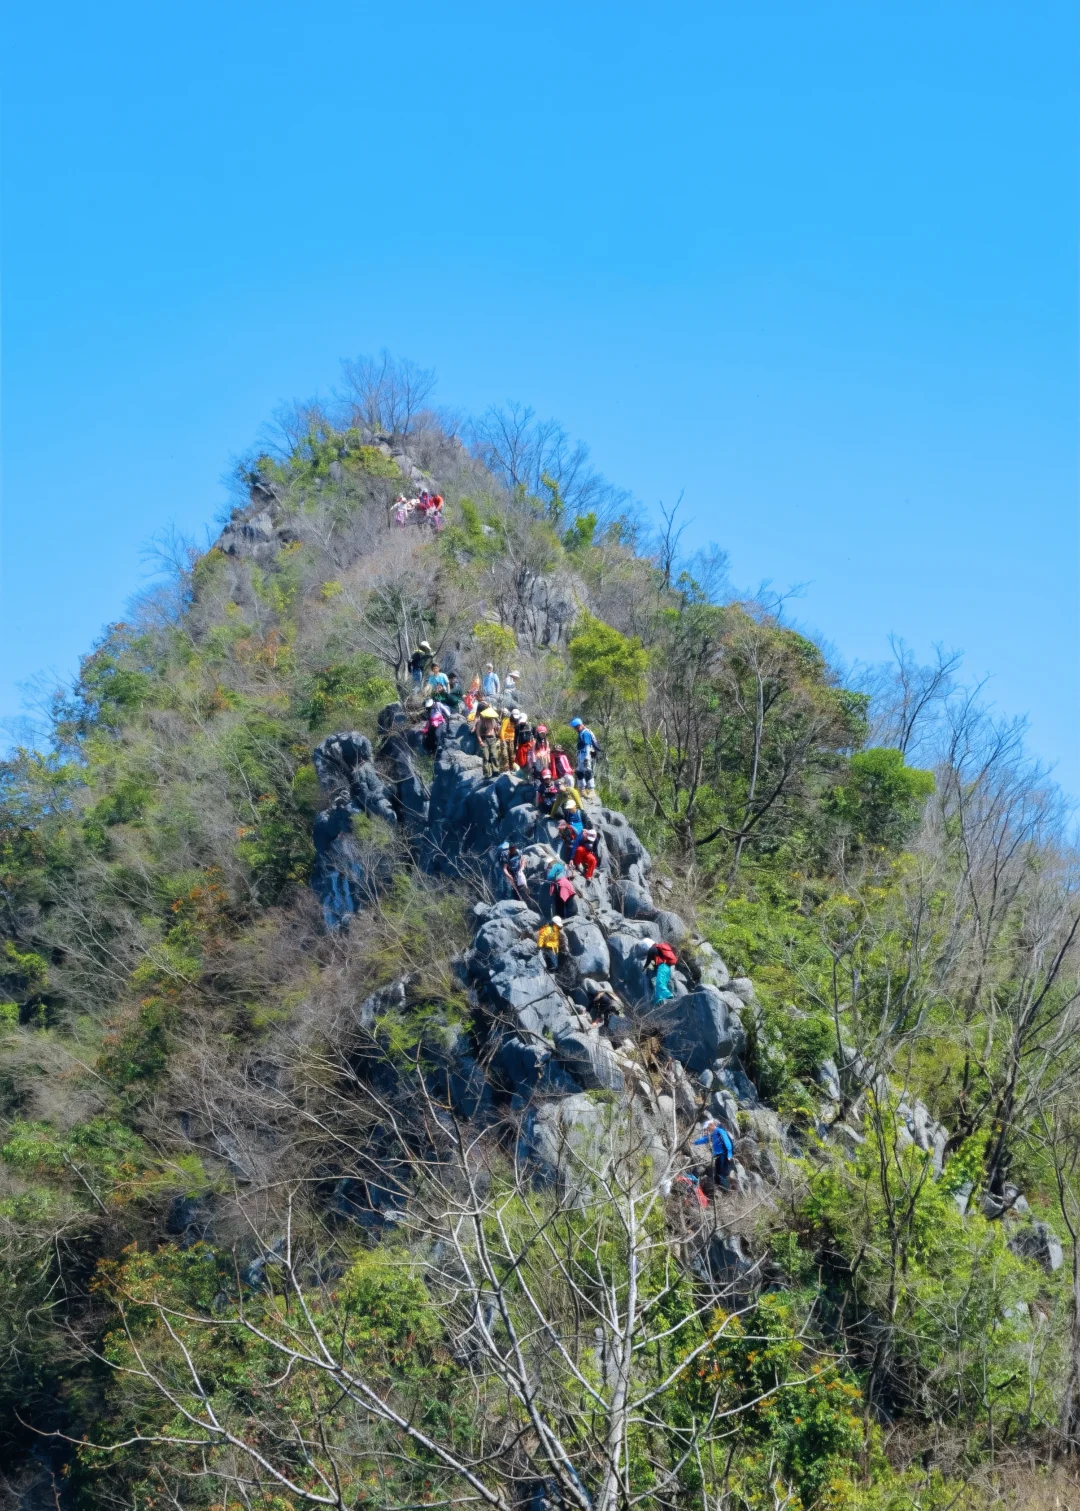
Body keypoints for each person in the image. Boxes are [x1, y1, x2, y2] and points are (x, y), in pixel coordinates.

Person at [693, 1119, 736, 1192]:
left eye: (708, 1128)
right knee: (717, 1172)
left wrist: (729, 1154)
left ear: (711, 1125)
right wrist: (695, 1142)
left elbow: (727, 1142)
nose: (708, 1130)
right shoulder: (713, 1134)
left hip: (724, 1154)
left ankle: (726, 1190)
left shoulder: (720, 1131)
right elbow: (705, 1139)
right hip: (718, 1155)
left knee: (722, 1173)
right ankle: (719, 1189)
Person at [570, 717, 600, 793]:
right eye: (575, 728)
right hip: (581, 754)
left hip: (585, 755)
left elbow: (587, 745)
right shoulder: (582, 732)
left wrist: (587, 757)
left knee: (587, 771)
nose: (576, 729)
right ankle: (582, 788)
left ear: (580, 725)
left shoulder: (585, 733)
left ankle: (591, 788)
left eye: (576, 727)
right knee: (579, 772)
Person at [476, 706, 502, 779]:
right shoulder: (481, 721)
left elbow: (496, 729)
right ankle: (486, 773)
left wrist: (498, 729)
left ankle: (495, 771)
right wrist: (480, 741)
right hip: (485, 739)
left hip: (493, 739)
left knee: (494, 755)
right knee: (485, 756)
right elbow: (478, 732)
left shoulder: (493, 720)